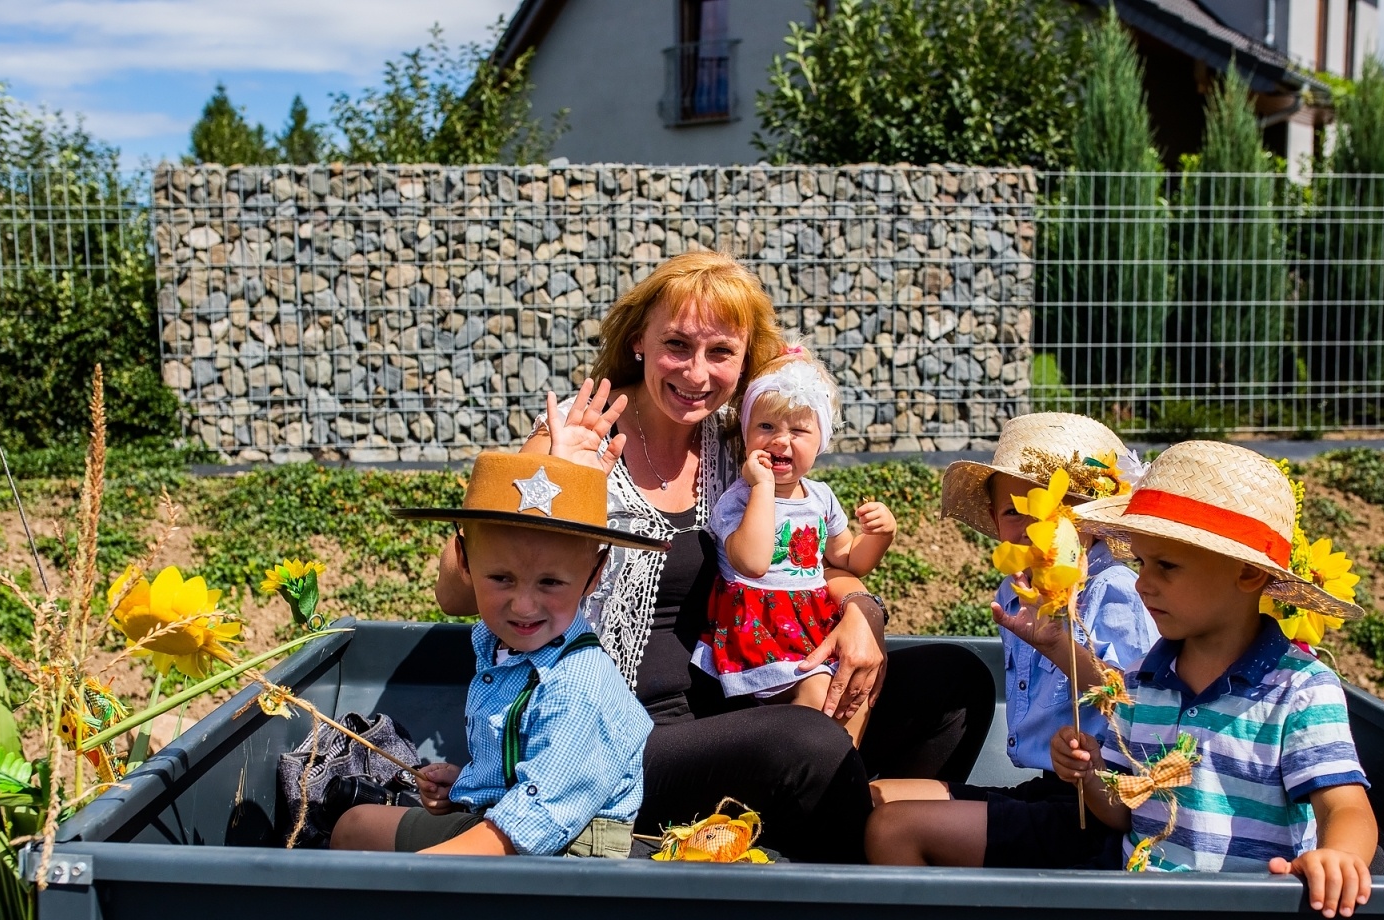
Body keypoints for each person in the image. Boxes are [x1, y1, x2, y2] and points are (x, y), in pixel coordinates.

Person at [432, 251, 994, 863]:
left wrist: (862, 609)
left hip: (733, 699)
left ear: (746, 358)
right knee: (805, 742)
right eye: (677, 344)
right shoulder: (578, 432)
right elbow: (458, 593)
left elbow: (809, 558)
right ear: (640, 340)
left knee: (954, 684)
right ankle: (863, 865)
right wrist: (562, 477)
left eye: (720, 352)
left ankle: (858, 830)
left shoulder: (740, 445)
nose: (697, 373)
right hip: (610, 739)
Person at [1054, 440, 1378, 917]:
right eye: (1142, 562)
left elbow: (1346, 806)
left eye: (1166, 565)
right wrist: (1089, 774)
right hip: (1141, 910)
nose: (1143, 583)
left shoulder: (1301, 690)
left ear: (1247, 574)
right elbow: (1128, 811)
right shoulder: (1145, 683)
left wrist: (1339, 857)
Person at [330, 452, 664, 858]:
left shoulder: (579, 687)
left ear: (594, 573)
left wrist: (417, 872)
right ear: (465, 560)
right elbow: (527, 768)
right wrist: (468, 784)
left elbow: (533, 826)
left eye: (551, 582)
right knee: (356, 827)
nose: (524, 606)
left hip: (566, 860)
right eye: (501, 578)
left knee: (365, 846)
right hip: (511, 823)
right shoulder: (499, 646)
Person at [865, 414, 1157, 867]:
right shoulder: (1017, 590)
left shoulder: (1114, 588)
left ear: (1095, 520)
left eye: (1052, 508)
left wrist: (1057, 643)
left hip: (1099, 808)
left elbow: (1138, 703)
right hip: (1047, 790)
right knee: (875, 798)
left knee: (893, 828)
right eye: (1012, 510)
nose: (1029, 525)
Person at [692, 349, 896, 736]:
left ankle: (838, 780)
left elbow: (847, 560)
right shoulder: (739, 498)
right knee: (820, 696)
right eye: (766, 426)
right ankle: (820, 774)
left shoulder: (820, 497)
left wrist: (881, 537)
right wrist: (763, 488)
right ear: (747, 432)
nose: (780, 441)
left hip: (810, 624)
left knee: (852, 695)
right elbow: (752, 562)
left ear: (821, 439)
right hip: (758, 626)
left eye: (799, 431)